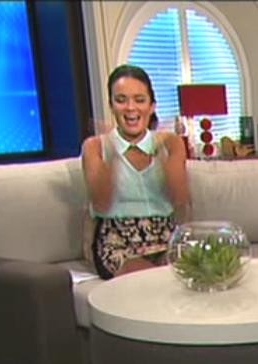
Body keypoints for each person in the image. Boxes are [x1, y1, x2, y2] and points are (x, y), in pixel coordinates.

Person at [81, 64, 191, 279]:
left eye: (139, 100)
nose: (130, 108)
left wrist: (164, 159)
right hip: (116, 243)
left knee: (202, 271)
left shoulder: (171, 143)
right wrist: (113, 156)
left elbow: (180, 198)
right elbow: (101, 203)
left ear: (152, 106)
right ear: (111, 105)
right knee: (148, 278)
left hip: (166, 238)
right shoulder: (95, 147)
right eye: (121, 100)